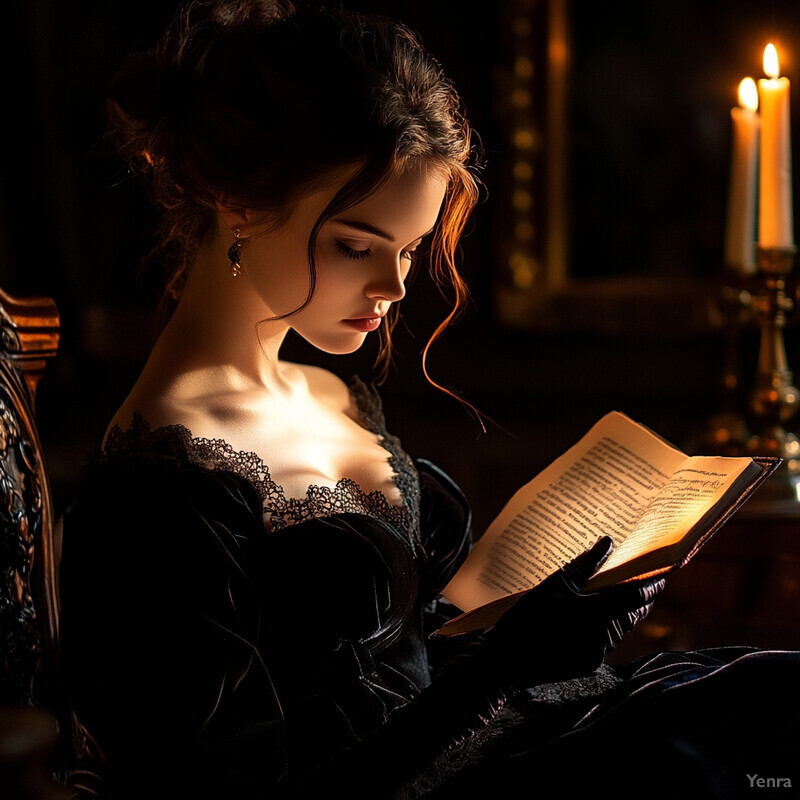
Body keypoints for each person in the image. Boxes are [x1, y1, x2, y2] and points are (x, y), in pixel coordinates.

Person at [57, 2, 800, 799]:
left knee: (763, 689)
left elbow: (418, 657)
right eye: (357, 245)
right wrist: (503, 671)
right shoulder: (150, 495)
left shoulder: (340, 394)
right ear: (235, 200)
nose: (396, 286)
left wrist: (523, 636)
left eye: (409, 249)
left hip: (515, 740)